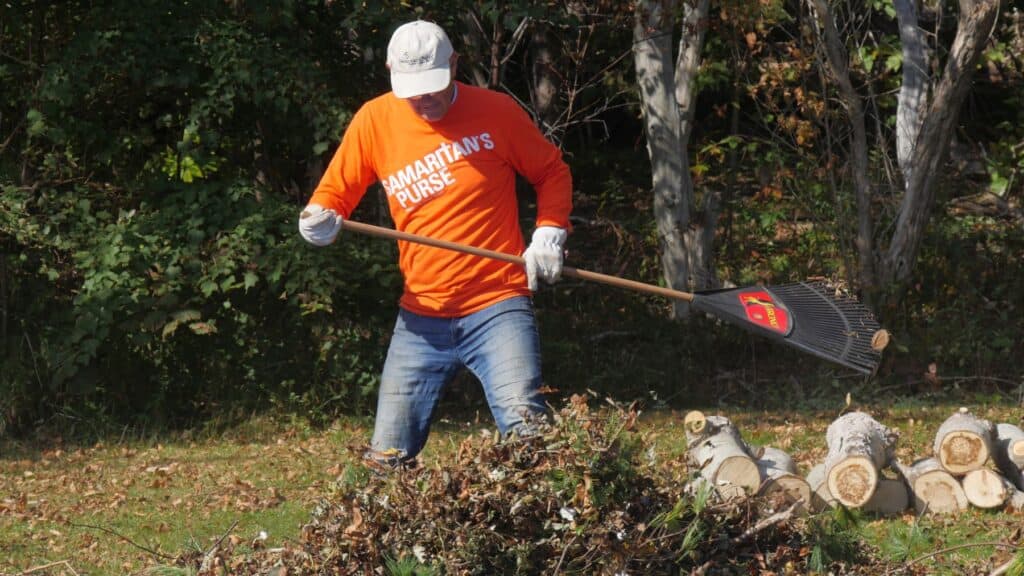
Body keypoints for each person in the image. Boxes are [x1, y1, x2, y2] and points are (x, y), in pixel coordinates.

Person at [297, 20, 573, 465]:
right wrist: (319, 219)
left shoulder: (497, 112)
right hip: (420, 317)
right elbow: (333, 196)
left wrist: (549, 231)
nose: (424, 100)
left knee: (529, 438)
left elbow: (551, 172)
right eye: (413, 90)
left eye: (433, 87)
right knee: (386, 456)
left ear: (455, 65)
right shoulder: (374, 120)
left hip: (497, 303)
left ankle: (556, 524)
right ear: (390, 71)